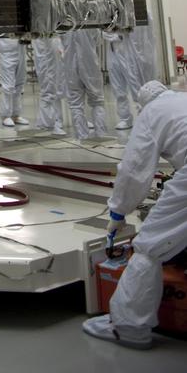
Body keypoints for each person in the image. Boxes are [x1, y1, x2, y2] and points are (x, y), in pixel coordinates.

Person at [83, 80, 187, 349]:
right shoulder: (180, 101)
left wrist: (118, 211)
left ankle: (129, 327)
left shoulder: (151, 113)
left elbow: (133, 171)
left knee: (148, 247)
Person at [61, 28, 108, 138]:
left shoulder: (64, 23)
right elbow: (98, 41)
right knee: (97, 100)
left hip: (70, 65)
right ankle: (101, 135)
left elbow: (60, 38)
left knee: (75, 103)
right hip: (90, 64)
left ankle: (82, 135)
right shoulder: (91, 22)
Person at [103, 30, 146, 130]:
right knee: (118, 88)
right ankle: (125, 118)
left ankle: (144, 117)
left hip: (128, 49)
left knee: (136, 86)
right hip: (113, 50)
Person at [0, 35, 29, 127]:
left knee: (19, 82)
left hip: (20, 45)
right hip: (6, 46)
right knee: (8, 85)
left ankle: (16, 114)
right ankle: (6, 115)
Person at [31, 36, 66, 134]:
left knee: (53, 87)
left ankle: (46, 122)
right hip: (45, 44)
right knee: (48, 87)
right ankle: (48, 125)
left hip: (50, 44)